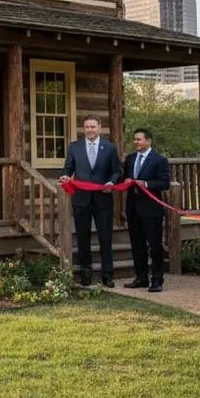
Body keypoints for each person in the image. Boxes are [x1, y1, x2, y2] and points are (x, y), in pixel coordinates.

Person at [59, 116, 122, 288]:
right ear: (83, 128)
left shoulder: (109, 147)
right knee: (82, 238)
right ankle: (86, 274)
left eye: (93, 127)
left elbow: (116, 171)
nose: (90, 130)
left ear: (99, 127)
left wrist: (111, 182)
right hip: (81, 199)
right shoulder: (75, 146)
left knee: (105, 238)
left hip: (103, 199)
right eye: (87, 127)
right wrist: (65, 175)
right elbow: (68, 168)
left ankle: (107, 275)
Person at [123, 128, 170, 292]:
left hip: (151, 209)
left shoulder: (159, 160)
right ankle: (141, 278)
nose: (136, 142)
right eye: (134, 139)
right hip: (133, 208)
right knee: (137, 245)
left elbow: (165, 183)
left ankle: (157, 280)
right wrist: (128, 181)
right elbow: (126, 179)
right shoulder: (130, 159)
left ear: (148, 141)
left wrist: (146, 184)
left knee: (155, 245)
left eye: (139, 139)